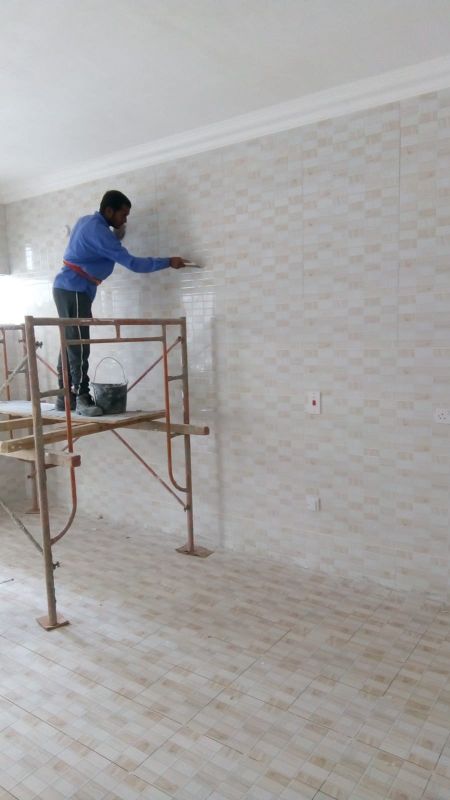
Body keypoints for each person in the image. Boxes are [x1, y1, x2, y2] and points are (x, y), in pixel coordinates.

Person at [53, 189, 185, 416]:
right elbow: (134, 264)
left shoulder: (87, 222)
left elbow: (99, 247)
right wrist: (168, 262)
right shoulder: (99, 232)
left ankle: (64, 397)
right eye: (123, 215)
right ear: (108, 211)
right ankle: (82, 398)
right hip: (74, 288)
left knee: (71, 342)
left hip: (70, 287)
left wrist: (116, 234)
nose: (125, 220)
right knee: (79, 344)